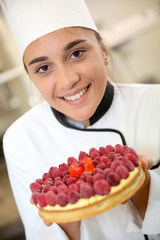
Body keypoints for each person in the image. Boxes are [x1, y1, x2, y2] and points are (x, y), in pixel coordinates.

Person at [1, 0, 160, 239]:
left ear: (103, 52)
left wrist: (142, 184)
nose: (67, 81)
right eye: (43, 68)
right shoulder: (20, 139)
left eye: (76, 53)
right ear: (32, 78)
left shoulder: (155, 103)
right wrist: (63, 209)